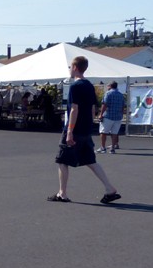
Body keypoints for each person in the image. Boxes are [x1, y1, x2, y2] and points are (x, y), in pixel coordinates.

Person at [48, 56, 120, 204]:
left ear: (75, 67)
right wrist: (89, 124)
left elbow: (74, 109)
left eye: (70, 67)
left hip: (75, 129)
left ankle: (62, 193)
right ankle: (109, 188)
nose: (69, 69)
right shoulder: (89, 86)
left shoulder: (75, 86)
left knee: (62, 160)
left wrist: (69, 131)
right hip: (86, 130)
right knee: (90, 160)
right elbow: (93, 108)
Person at [97, 81, 124, 154]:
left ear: (110, 86)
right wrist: (121, 115)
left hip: (108, 116)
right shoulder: (121, 95)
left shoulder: (108, 93)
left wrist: (101, 114)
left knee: (103, 132)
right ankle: (112, 148)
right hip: (117, 117)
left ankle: (103, 147)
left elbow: (104, 104)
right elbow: (122, 107)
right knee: (114, 133)